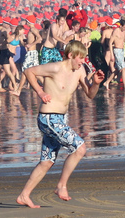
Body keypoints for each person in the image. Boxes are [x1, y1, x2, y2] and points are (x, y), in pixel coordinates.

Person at [16, 40, 103, 208]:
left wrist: (96, 84)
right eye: (80, 58)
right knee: (80, 148)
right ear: (70, 55)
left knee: (47, 161)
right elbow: (28, 71)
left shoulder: (80, 71)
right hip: (48, 119)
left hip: (60, 119)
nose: (83, 61)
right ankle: (61, 186)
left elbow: (90, 94)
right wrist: (40, 92)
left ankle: (24, 195)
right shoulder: (55, 67)